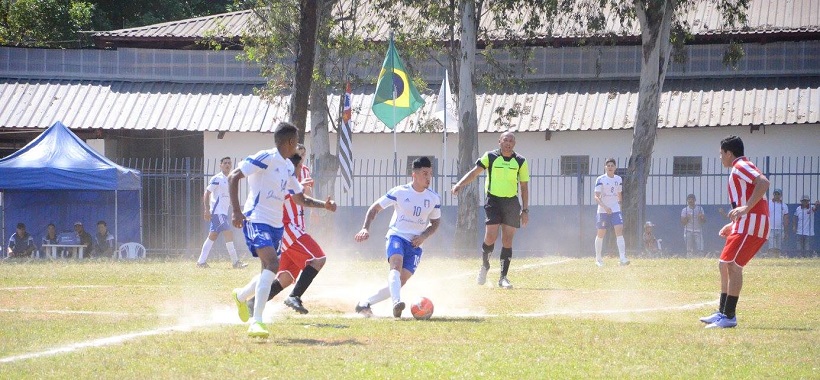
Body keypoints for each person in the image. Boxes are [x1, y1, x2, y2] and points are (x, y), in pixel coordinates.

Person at [228, 122, 335, 338]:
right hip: (256, 219)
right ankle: (257, 321)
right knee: (272, 264)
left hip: (277, 226)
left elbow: (299, 198)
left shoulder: (287, 167)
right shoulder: (265, 157)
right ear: (290, 142)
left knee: (269, 271)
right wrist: (237, 212)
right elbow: (233, 177)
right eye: (296, 141)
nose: (297, 147)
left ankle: (241, 296)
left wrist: (323, 205)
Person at [240, 147, 334, 316]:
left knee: (285, 278)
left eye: (303, 153)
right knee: (318, 259)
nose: (301, 159)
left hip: (297, 226)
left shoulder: (302, 171)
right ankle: (295, 296)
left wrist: (319, 206)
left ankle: (251, 303)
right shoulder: (279, 174)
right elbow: (278, 198)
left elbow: (303, 196)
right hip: (287, 227)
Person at [354, 156, 441, 318]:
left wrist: (423, 236)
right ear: (414, 174)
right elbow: (374, 208)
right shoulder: (400, 192)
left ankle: (364, 303)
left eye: (430, 173)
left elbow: (435, 223)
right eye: (424, 173)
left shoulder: (433, 198)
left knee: (400, 281)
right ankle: (396, 303)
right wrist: (365, 228)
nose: (428, 177)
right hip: (397, 236)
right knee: (396, 265)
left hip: (415, 244)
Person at [700, 135, 769, 329]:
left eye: (721, 154)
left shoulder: (741, 166)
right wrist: (735, 223)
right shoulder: (738, 169)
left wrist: (746, 209)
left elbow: (763, 182)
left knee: (732, 265)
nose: (720, 157)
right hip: (745, 223)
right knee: (724, 264)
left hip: (752, 223)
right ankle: (723, 312)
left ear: (729, 153)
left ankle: (729, 316)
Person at [451, 131, 529, 289]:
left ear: (514, 144)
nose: (508, 143)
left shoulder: (520, 161)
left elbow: (524, 187)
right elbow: (474, 173)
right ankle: (485, 266)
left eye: (511, 141)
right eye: (505, 140)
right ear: (499, 141)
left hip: (511, 203)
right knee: (491, 237)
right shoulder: (490, 157)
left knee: (507, 240)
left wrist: (525, 210)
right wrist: (459, 184)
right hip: (493, 201)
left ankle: (503, 277)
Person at [196, 156, 247, 269]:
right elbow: (207, 193)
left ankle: (200, 262)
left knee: (212, 236)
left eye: (229, 163)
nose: (227, 165)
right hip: (217, 212)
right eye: (225, 163)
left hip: (223, 212)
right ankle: (235, 262)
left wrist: (235, 210)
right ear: (221, 165)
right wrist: (207, 209)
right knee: (228, 233)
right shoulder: (217, 178)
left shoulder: (230, 178)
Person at [592, 158, 629, 267]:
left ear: (615, 167)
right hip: (603, 210)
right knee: (601, 233)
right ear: (605, 167)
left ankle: (622, 257)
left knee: (619, 230)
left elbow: (619, 193)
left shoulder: (618, 179)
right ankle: (598, 258)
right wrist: (605, 207)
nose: (610, 167)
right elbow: (596, 196)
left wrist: (619, 205)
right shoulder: (600, 179)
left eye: (612, 165)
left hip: (615, 209)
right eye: (608, 165)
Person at [767, 189, 789, 258]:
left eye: (778, 194)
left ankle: (777, 258)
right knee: (771, 245)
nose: (776, 195)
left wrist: (786, 231)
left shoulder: (784, 206)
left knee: (778, 245)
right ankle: (771, 257)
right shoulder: (768, 203)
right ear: (773, 195)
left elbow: (786, 218)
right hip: (771, 228)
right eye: (775, 194)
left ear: (781, 195)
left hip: (780, 228)